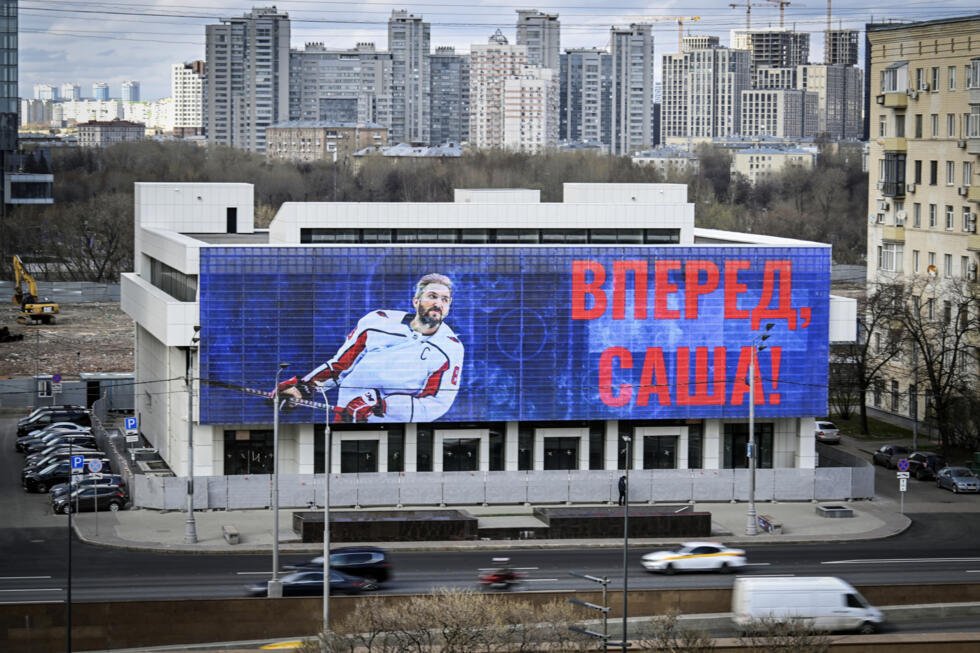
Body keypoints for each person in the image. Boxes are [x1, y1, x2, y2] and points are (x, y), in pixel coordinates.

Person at [278, 273, 464, 423]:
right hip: (346, 418)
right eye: (432, 296)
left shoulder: (450, 348)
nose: (438, 304)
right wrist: (303, 388)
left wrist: (382, 405)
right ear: (416, 301)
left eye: (445, 299)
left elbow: (437, 402)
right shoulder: (377, 322)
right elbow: (341, 366)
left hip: (396, 427)